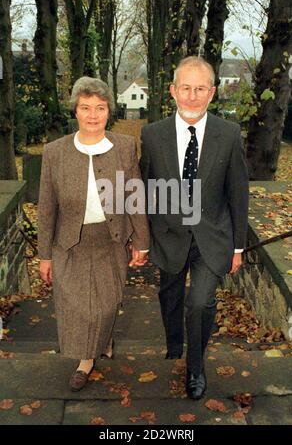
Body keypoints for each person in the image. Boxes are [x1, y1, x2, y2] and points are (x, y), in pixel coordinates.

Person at [140, 56, 248, 400]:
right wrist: (141, 239)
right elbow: (143, 189)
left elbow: (238, 192)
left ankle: (196, 367)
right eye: (185, 87)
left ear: (212, 93)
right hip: (168, 236)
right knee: (170, 296)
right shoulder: (152, 135)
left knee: (200, 302)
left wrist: (238, 246)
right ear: (173, 90)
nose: (192, 95)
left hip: (211, 237)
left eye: (200, 88)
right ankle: (175, 346)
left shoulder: (228, 135)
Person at [38, 77, 149, 392]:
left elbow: (133, 196)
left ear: (108, 111)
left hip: (111, 240)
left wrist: (142, 242)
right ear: (75, 110)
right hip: (69, 244)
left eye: (100, 108)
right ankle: (86, 360)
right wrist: (44, 254)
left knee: (106, 304)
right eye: (85, 107)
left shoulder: (124, 147)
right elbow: (46, 207)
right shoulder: (54, 152)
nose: (92, 115)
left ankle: (103, 337)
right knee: (78, 307)